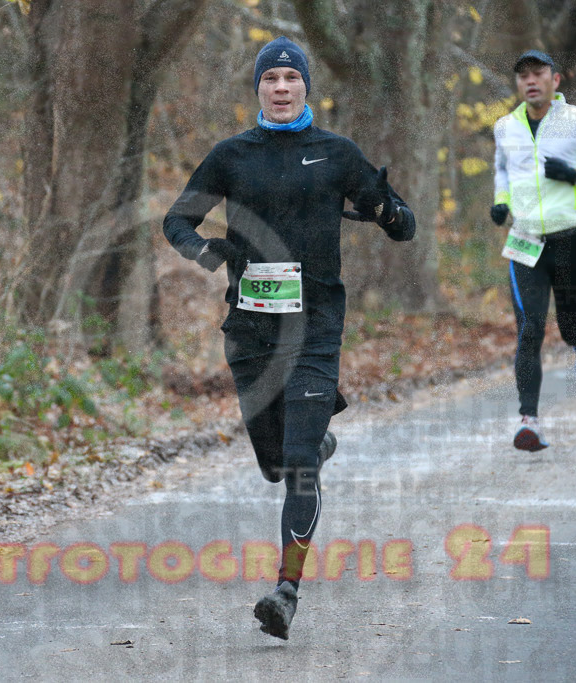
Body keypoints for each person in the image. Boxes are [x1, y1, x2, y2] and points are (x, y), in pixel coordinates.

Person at [162, 36, 415, 640]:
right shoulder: (231, 156)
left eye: (290, 78)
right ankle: (315, 443)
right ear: (258, 89)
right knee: (276, 465)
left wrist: (385, 209)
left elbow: (402, 225)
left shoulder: (335, 153)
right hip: (250, 330)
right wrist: (209, 253)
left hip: (316, 325)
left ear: (306, 86)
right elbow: (177, 219)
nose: (281, 87)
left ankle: (286, 591)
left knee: (298, 466)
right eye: (270, 78)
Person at [491, 50, 576, 451]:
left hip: (571, 238)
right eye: (523, 76)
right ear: (518, 84)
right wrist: (501, 200)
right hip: (525, 239)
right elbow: (502, 169)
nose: (530, 81)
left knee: (567, 325)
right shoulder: (505, 126)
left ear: (555, 80)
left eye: (538, 73)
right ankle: (527, 421)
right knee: (529, 329)